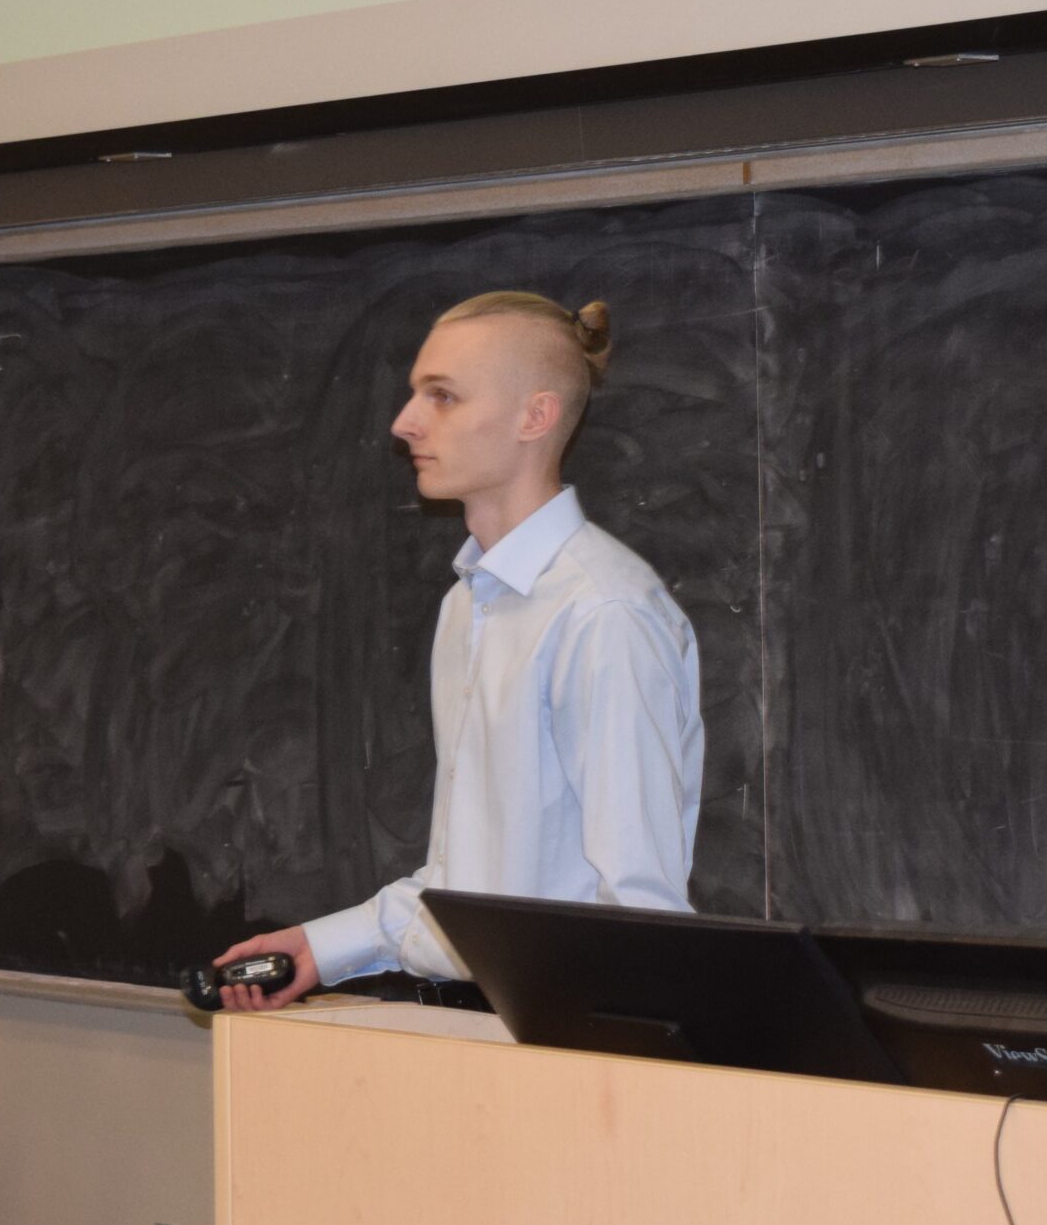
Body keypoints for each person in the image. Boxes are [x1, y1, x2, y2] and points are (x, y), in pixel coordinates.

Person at [214, 293, 705, 1008]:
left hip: (568, 1030)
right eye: (417, 394)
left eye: (441, 397)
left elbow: (641, 911)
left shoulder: (604, 613)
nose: (404, 422)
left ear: (533, 418)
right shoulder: (471, 604)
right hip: (485, 1029)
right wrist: (322, 947)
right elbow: (473, 881)